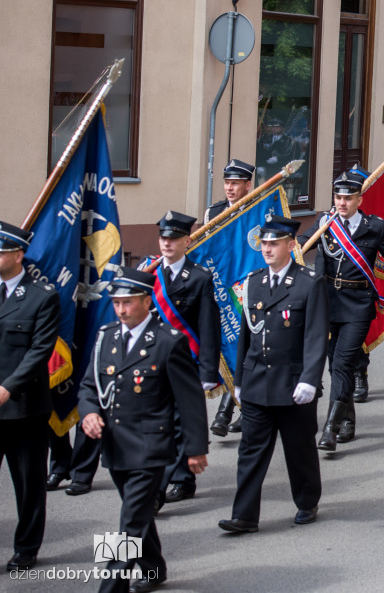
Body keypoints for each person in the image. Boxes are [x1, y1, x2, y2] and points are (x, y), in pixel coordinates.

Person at [78, 268, 208, 592]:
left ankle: (110, 587)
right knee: (137, 517)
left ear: (145, 301)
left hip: (151, 448)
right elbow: (88, 386)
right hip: (116, 446)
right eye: (116, 303)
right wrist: (89, 413)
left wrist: (195, 449)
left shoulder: (168, 342)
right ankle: (153, 568)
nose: (121, 310)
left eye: (127, 303)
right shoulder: (106, 336)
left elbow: (189, 401)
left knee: (128, 523)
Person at [219, 215, 328, 533]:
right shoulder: (252, 282)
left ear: (290, 245)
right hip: (256, 383)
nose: (267, 248)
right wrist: (238, 381)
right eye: (264, 243)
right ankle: (244, 515)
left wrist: (310, 378)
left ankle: (307, 501)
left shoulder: (309, 283)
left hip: (293, 385)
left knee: (299, 449)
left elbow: (316, 336)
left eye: (274, 243)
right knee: (250, 452)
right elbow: (245, 338)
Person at [300, 170, 384, 453]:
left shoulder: (375, 227)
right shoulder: (325, 223)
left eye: (348, 197)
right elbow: (301, 248)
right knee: (336, 367)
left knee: (343, 363)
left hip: (358, 305)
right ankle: (348, 419)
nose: (342, 203)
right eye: (338, 197)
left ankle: (330, 428)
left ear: (360, 198)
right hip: (328, 303)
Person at [144, 211, 220, 511]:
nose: (167, 243)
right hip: (152, 361)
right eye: (163, 237)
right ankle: (181, 479)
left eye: (173, 238)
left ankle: (158, 492)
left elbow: (208, 327)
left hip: (185, 361)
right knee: (158, 423)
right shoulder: (148, 273)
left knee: (176, 424)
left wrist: (208, 370)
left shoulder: (199, 277)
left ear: (187, 241)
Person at [0, 221, 59, 573]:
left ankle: (26, 548)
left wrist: (8, 387)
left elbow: (39, 352)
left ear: (18, 255)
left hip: (23, 408)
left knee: (28, 485)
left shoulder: (42, 296)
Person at [207, 159, 255, 437]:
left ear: (247, 185)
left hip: (247, 291)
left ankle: (229, 411)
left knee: (242, 348)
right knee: (226, 346)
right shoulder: (213, 212)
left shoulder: (256, 211)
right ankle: (236, 408)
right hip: (221, 290)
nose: (230, 188)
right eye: (227, 182)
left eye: (235, 183)